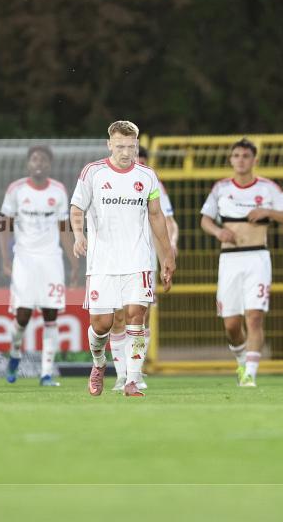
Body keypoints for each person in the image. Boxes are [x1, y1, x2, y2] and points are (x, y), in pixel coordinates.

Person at [70, 120, 176, 398]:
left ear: (137, 145)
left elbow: (156, 216)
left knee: (135, 317)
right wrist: (79, 235)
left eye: (131, 146)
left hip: (137, 261)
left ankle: (132, 379)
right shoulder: (93, 172)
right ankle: (98, 364)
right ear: (109, 145)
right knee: (101, 325)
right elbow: (77, 207)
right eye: (120, 146)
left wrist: (167, 255)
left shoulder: (147, 176)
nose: (126, 152)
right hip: (102, 262)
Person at [200, 138, 283, 387]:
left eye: (245, 156)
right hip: (230, 260)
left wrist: (268, 212)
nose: (240, 160)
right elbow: (205, 220)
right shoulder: (221, 188)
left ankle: (250, 374)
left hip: (257, 258)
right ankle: (242, 361)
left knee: (254, 317)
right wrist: (219, 232)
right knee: (231, 324)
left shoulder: (267, 188)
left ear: (254, 160)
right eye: (236, 156)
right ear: (231, 160)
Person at [0, 145, 78, 386]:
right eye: (34, 159)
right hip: (24, 258)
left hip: (51, 260)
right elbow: (5, 228)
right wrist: (5, 259)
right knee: (22, 316)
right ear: (28, 164)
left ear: (49, 165)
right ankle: (14, 353)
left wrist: (74, 262)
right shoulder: (17, 190)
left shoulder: (58, 191)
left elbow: (64, 229)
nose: (39, 163)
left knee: (50, 315)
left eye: (43, 159)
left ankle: (45, 374)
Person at [111, 146, 178, 392]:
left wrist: (169, 252)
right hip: (114, 259)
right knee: (117, 316)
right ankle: (120, 375)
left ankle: (134, 374)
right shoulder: (108, 181)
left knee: (141, 316)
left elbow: (167, 221)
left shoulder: (152, 184)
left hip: (144, 259)